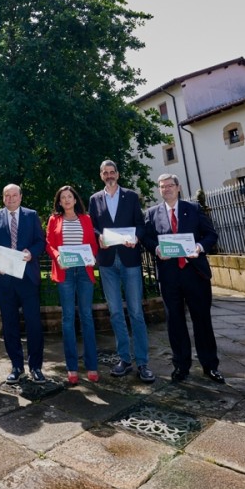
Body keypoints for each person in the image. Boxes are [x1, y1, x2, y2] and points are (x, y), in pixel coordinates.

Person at [143, 173, 224, 384]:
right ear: (159, 190)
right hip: (169, 275)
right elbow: (146, 238)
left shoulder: (194, 209)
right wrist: (157, 248)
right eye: (162, 186)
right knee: (175, 322)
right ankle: (181, 366)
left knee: (202, 320)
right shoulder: (152, 214)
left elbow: (211, 235)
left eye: (170, 185)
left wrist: (199, 247)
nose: (166, 189)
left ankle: (210, 365)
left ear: (178, 188)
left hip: (194, 273)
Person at [88, 159, 155, 383]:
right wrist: (98, 237)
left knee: (136, 312)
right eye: (105, 172)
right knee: (115, 312)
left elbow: (141, 224)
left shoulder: (132, 196)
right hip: (107, 261)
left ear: (117, 174)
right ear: (101, 175)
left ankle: (143, 362)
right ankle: (124, 359)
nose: (109, 175)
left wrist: (135, 237)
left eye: (112, 171)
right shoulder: (95, 199)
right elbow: (93, 226)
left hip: (130, 259)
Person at [0, 183, 46, 384]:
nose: (10, 199)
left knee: (34, 323)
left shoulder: (31, 215)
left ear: (20, 197)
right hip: (5, 278)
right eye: (6, 196)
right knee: (9, 324)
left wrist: (31, 253)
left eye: (14, 195)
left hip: (27, 278)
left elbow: (40, 241)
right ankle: (16, 366)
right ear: (3, 198)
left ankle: (36, 367)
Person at [46, 185, 99, 384]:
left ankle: (92, 365)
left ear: (76, 200)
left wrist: (92, 257)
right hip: (65, 272)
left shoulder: (86, 219)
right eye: (63, 198)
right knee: (67, 318)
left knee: (86, 316)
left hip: (84, 272)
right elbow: (49, 243)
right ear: (59, 202)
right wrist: (58, 255)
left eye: (70, 197)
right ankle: (72, 368)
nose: (67, 200)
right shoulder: (54, 220)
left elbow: (93, 245)